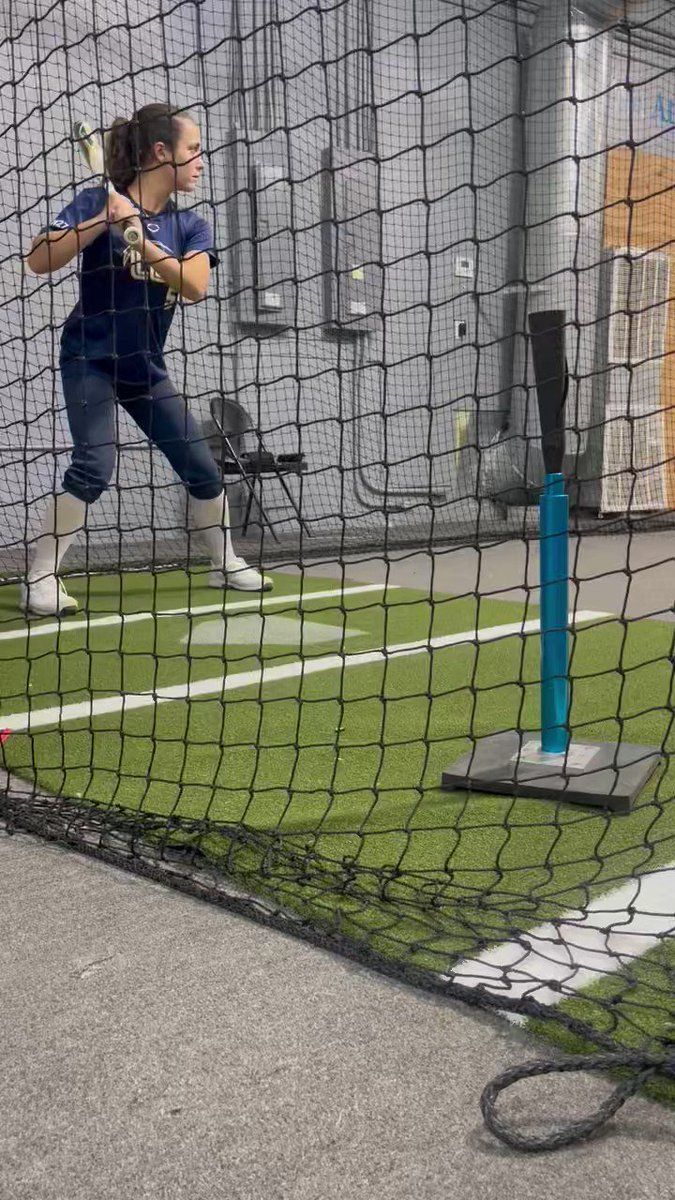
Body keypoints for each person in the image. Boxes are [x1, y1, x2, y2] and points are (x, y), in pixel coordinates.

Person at [23, 102, 271, 616]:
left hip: (144, 366)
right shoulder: (98, 200)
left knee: (202, 468)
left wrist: (142, 239)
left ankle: (224, 562)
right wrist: (103, 220)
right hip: (89, 356)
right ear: (161, 153)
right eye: (193, 151)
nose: (200, 161)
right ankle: (40, 576)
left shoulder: (190, 226)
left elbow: (196, 285)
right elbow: (38, 259)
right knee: (95, 464)